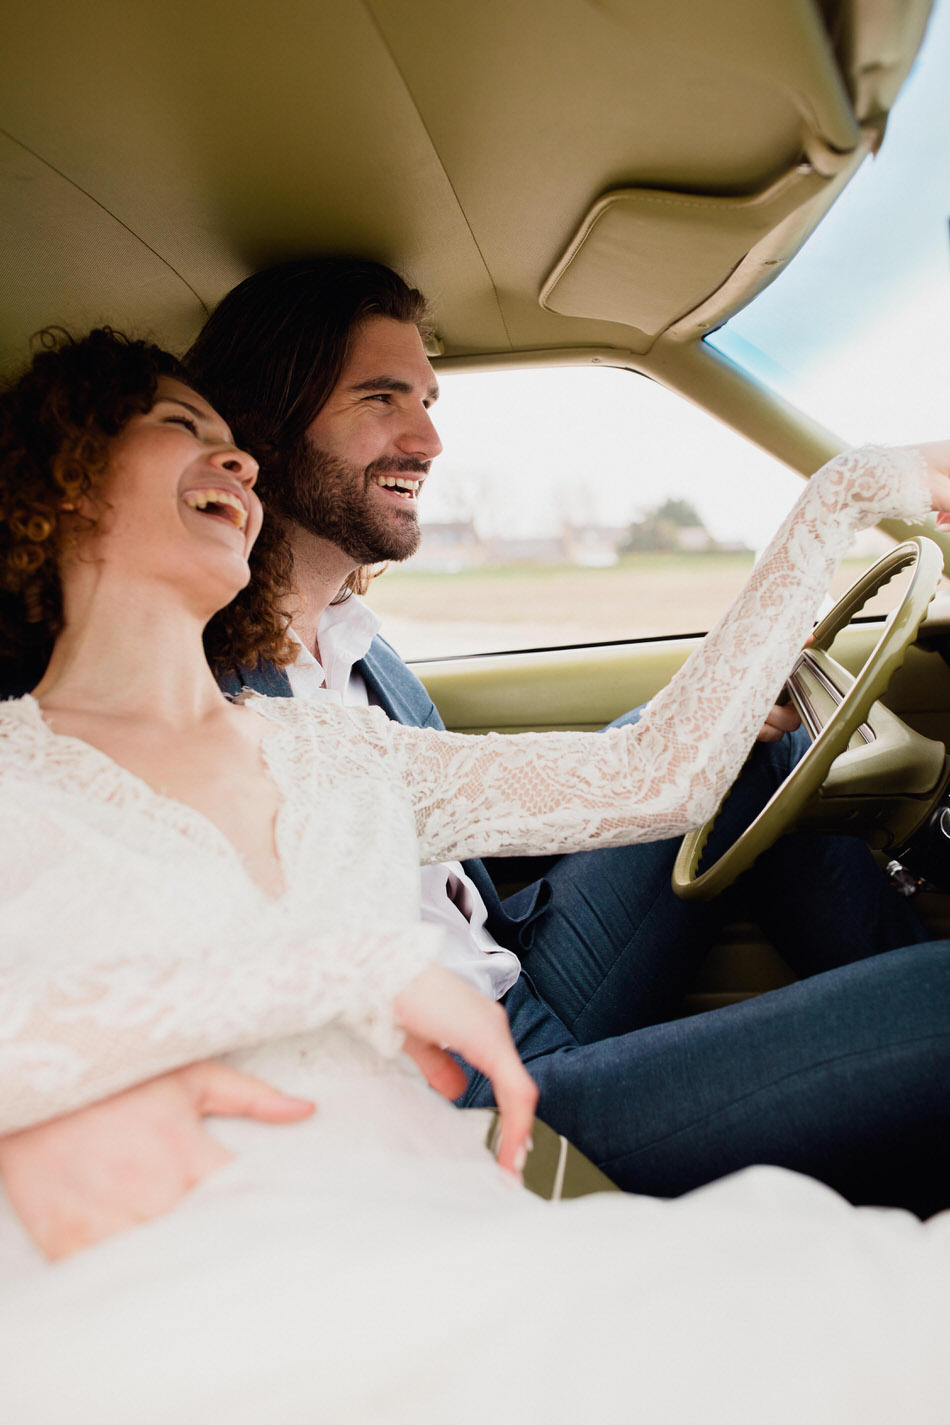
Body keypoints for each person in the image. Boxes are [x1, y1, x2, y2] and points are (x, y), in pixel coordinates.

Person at [2, 329, 950, 1425]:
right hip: (191, 1261)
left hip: (434, 1195)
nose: (240, 461)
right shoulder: (16, 770)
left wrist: (842, 496)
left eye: (236, 445)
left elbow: (661, 774)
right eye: (180, 425)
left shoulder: (339, 749)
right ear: (66, 476)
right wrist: (338, 972)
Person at [177, 257, 934, 1203]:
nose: (429, 439)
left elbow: (481, 821)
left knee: (758, 747)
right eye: (381, 397)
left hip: (515, 979)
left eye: (427, 400)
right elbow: (656, 774)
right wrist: (846, 494)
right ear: (267, 423)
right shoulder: (211, 700)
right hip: (466, 1109)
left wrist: (730, 715)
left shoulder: (356, 644)